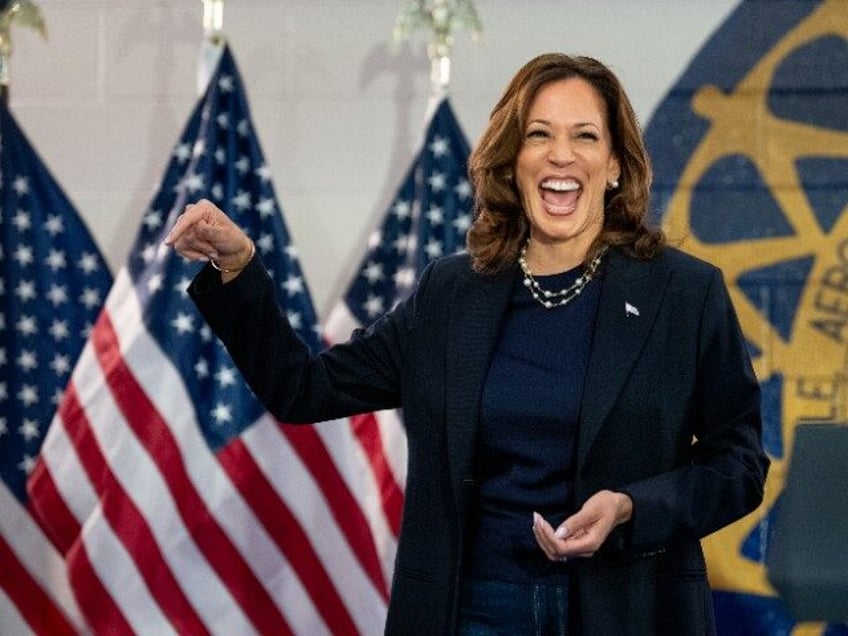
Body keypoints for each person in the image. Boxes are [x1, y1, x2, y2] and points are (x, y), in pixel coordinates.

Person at [165, 53, 769, 635]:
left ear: (614, 165)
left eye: (585, 136)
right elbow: (304, 389)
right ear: (512, 161)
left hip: (627, 608)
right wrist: (240, 268)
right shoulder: (451, 293)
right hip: (473, 609)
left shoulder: (684, 294)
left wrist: (631, 507)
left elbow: (738, 465)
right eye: (539, 135)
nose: (562, 155)